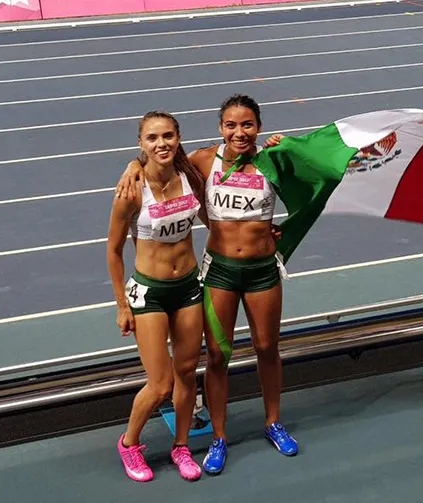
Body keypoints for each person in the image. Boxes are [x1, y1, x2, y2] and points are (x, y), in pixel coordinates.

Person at [117, 95, 297, 475]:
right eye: (231, 125)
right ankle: (218, 437)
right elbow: (158, 157)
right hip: (219, 273)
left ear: (259, 128)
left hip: (263, 270)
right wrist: (133, 166)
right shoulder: (201, 160)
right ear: (220, 128)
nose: (239, 132)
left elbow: (313, 188)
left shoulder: (273, 160)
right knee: (217, 357)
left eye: (247, 124)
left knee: (267, 347)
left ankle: (273, 423)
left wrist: (290, 150)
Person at [107, 111, 205, 482]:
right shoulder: (131, 190)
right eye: (152, 138)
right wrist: (121, 305)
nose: (161, 143)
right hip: (150, 292)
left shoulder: (191, 176)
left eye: (167, 136)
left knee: (185, 375)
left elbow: (230, 154)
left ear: (178, 138)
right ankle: (129, 444)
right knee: (161, 383)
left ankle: (181, 446)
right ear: (141, 144)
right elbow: (114, 251)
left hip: (188, 288)